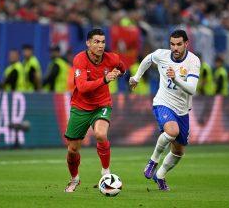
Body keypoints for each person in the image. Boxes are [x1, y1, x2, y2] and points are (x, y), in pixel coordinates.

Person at [129, 30, 201, 191]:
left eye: (179, 44)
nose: (175, 48)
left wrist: (175, 78)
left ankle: (160, 175)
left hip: (182, 110)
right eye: (172, 44)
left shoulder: (193, 61)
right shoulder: (162, 55)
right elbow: (148, 59)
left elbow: (192, 89)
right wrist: (136, 77)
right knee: (172, 130)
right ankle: (153, 161)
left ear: (186, 44)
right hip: (163, 102)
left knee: (178, 152)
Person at [64, 28, 125, 193]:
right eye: (96, 42)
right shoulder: (80, 59)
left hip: (102, 105)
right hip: (80, 106)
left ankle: (106, 172)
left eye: (103, 42)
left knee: (100, 134)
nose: (100, 45)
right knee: (72, 150)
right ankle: (74, 179)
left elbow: (122, 67)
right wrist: (105, 79)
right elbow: (82, 87)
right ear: (88, 43)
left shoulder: (111, 58)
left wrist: (120, 73)